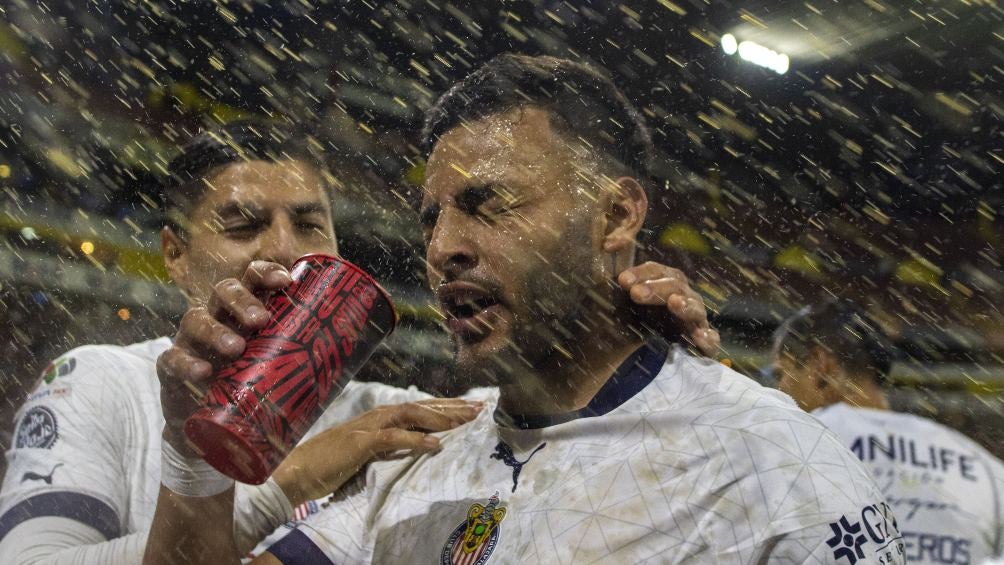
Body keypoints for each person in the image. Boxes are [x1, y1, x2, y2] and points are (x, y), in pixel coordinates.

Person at [146, 54, 905, 565]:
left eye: (488, 205)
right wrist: (193, 451)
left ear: (615, 217)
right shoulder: (418, 453)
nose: (442, 246)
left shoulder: (771, 462)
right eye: (430, 218)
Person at [0, 120, 718, 564]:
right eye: (245, 223)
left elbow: (560, 427)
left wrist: (629, 342)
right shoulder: (100, 380)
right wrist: (290, 481)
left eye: (311, 225)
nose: (284, 250)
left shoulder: (391, 415)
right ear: (176, 254)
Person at [773, 299, 1004, 564]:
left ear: (820, 364)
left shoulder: (795, 444)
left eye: (781, 372)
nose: (779, 389)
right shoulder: (982, 466)